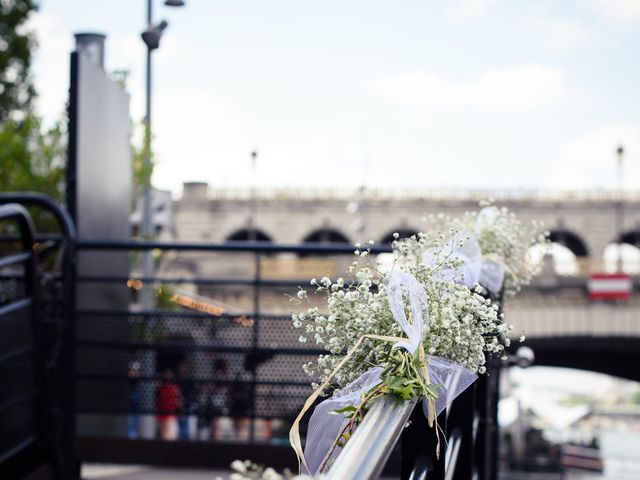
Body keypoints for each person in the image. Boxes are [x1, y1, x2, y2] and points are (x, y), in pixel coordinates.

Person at [156, 368, 182, 440]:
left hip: (166, 416)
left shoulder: (172, 389)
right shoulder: (172, 389)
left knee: (166, 436)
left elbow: (178, 403)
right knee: (169, 437)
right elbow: (178, 403)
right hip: (166, 416)